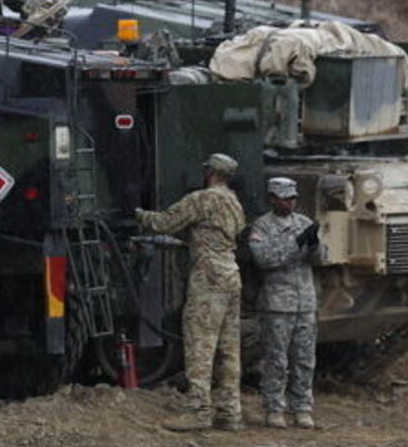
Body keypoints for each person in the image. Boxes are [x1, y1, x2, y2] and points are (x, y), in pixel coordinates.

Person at [136, 152, 246, 432]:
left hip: (208, 278)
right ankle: (230, 411)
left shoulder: (203, 198)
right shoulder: (234, 203)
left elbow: (164, 223)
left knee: (200, 343)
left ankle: (198, 409)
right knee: (228, 347)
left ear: (211, 173)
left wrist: (136, 214)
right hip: (231, 275)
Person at [247, 176, 322, 430]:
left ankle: (302, 407)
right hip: (277, 305)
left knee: (304, 359)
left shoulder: (304, 223)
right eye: (284, 199)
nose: (289, 204)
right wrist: (296, 243)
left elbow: (320, 261)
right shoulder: (262, 227)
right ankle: (274, 408)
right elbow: (264, 259)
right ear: (272, 199)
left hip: (305, 303)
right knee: (276, 360)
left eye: (292, 199)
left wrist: (314, 244)